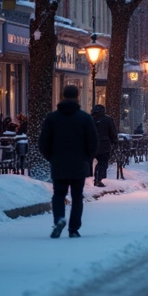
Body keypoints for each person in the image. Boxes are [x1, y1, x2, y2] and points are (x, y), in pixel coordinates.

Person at [40, 85, 98, 238]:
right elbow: (93, 142)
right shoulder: (85, 118)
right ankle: (73, 228)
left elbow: (43, 142)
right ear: (78, 96)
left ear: (62, 96)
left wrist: (51, 157)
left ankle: (59, 218)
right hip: (79, 164)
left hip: (59, 163)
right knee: (77, 196)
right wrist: (86, 158)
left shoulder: (52, 118)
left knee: (58, 194)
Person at [91, 104, 117, 188]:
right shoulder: (108, 119)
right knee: (102, 162)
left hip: (91, 144)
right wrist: (114, 141)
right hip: (104, 145)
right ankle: (98, 179)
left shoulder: (90, 119)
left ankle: (88, 178)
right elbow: (112, 132)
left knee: (88, 162)